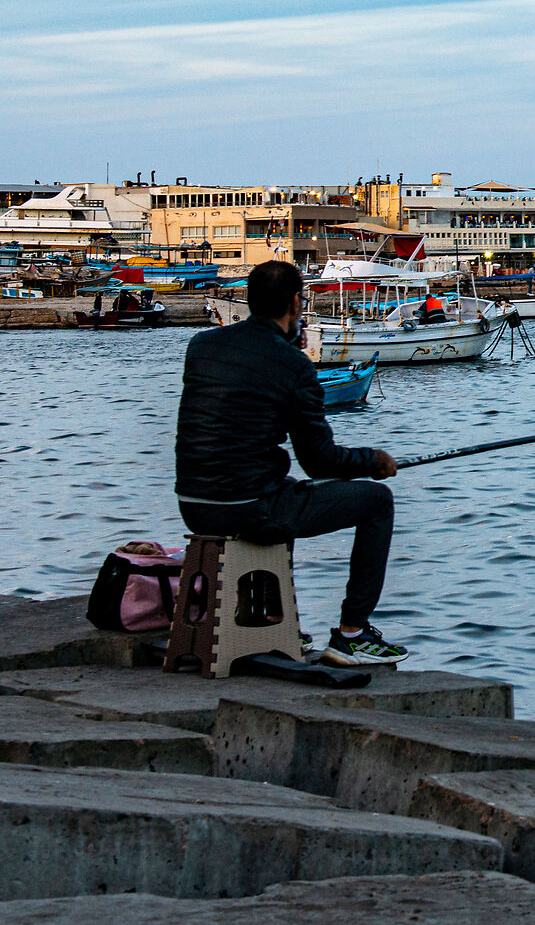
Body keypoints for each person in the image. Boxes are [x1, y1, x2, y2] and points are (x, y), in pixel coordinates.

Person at [173, 259, 408, 665]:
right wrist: (374, 461)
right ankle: (352, 632)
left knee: (285, 492)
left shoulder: (201, 346)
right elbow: (319, 461)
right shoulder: (295, 366)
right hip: (248, 509)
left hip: (194, 506)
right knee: (376, 503)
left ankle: (273, 622)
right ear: (296, 303)